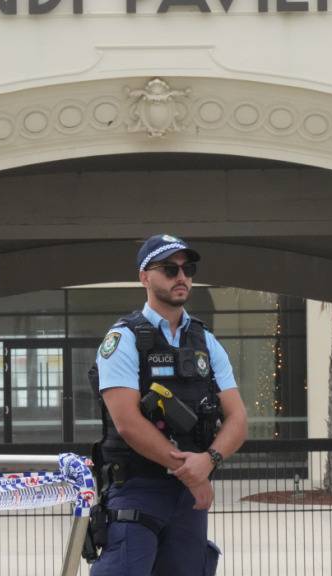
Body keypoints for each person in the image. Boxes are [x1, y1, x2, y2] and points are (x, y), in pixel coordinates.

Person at [90, 234, 248, 576]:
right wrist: (192, 475)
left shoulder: (206, 341)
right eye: (169, 269)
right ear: (144, 277)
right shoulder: (124, 339)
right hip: (137, 489)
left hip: (189, 496)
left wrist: (209, 460)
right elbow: (127, 423)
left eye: (187, 268)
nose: (182, 276)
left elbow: (237, 418)